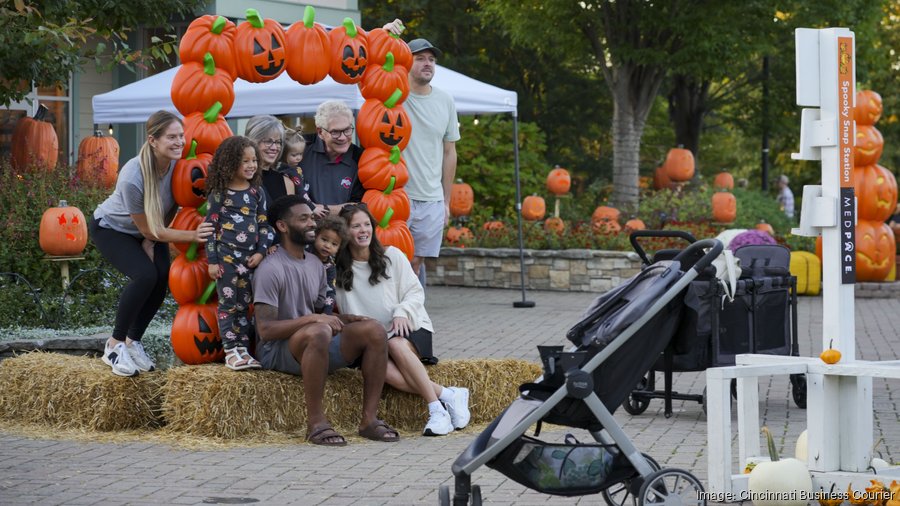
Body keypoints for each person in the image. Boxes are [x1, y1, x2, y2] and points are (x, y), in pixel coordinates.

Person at [252, 194, 399, 446]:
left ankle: (369, 420)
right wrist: (315, 319)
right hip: (278, 350)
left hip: (313, 341)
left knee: (373, 329)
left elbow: (320, 313)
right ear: (282, 227)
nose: (312, 223)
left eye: (311, 217)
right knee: (319, 330)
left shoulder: (314, 264)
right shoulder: (270, 268)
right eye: (303, 219)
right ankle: (316, 423)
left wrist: (346, 319)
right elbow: (265, 330)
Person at [90, 110, 214, 376]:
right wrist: (192, 235)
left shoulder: (178, 166)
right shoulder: (133, 177)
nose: (179, 142)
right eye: (171, 137)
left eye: (181, 135)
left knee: (162, 278)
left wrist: (151, 239)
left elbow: (168, 209)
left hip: (149, 230)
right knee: (145, 276)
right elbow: (151, 229)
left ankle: (133, 341)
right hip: (113, 228)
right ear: (153, 140)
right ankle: (114, 345)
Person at [335, 204, 470, 436]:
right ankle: (449, 394)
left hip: (409, 325)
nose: (363, 230)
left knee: (396, 344)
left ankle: (436, 409)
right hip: (373, 339)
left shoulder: (392, 255)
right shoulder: (337, 268)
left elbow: (415, 292)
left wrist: (401, 311)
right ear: (345, 232)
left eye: (366, 224)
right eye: (355, 226)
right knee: (381, 370)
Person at [203, 136, 273, 370]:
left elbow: (264, 225)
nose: (252, 165)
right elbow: (210, 228)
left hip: (250, 260)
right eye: (245, 161)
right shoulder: (219, 193)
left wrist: (262, 252)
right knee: (228, 305)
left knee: (245, 306)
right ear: (230, 163)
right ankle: (231, 350)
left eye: (254, 160)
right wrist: (212, 261)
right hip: (226, 260)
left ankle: (243, 348)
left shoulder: (257, 192)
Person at [402, 38, 461, 287]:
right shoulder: (394, 96)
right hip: (397, 194)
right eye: (420, 58)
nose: (428, 64)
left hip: (431, 199)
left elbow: (450, 152)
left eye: (432, 60)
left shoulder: (445, 101)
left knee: (417, 262)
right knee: (394, 259)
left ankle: (414, 320)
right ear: (407, 62)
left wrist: (446, 201)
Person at [244, 116, 324, 218]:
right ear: (253, 141)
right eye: (268, 141)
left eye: (278, 142)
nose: (274, 147)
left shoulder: (287, 182)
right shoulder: (241, 177)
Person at [302, 100, 365, 214]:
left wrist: (317, 208)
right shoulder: (302, 148)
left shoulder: (361, 158)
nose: (343, 137)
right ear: (320, 132)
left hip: (343, 229)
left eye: (347, 130)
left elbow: (358, 207)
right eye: (335, 132)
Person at [307, 215, 347, 315]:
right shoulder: (305, 251)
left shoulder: (330, 267)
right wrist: (276, 246)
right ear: (315, 236)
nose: (327, 246)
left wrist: (326, 313)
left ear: (339, 248)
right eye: (324, 239)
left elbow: (330, 291)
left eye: (334, 244)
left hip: (315, 306)